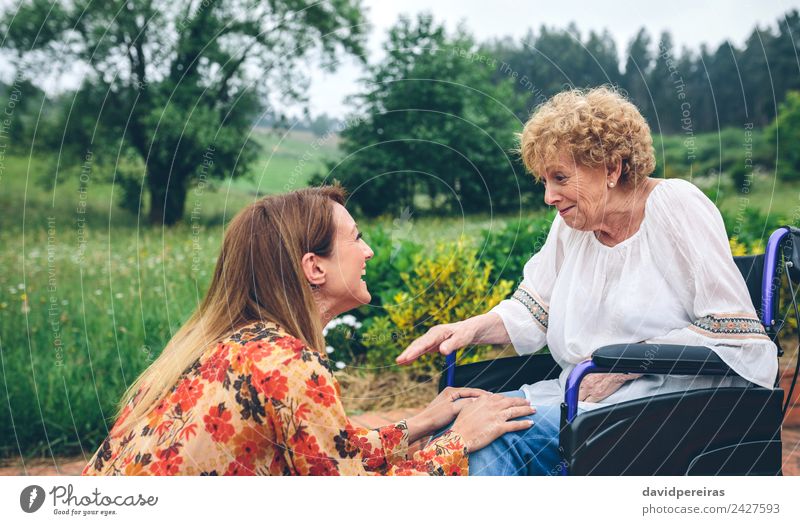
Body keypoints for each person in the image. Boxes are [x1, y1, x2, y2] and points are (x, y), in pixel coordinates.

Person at [396, 86, 779, 476]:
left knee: (496, 437)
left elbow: (736, 334)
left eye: (560, 177)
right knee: (457, 425)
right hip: (583, 397)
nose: (549, 196)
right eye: (543, 180)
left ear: (611, 168)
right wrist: (466, 329)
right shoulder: (573, 226)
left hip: (662, 404)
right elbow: (533, 311)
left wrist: (623, 367)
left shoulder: (674, 205)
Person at [82, 186, 533, 476]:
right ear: (314, 267)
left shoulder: (227, 345)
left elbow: (330, 457)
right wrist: (459, 440)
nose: (369, 252)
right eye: (356, 238)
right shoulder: (288, 366)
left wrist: (420, 423)